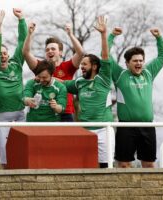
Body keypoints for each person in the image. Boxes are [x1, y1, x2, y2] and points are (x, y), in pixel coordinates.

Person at [108, 27, 163, 168]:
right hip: (126, 126)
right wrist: (111, 36)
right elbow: (106, 57)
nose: (139, 63)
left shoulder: (148, 73)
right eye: (135, 61)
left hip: (147, 125)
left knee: (149, 163)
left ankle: (151, 190)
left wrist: (159, 38)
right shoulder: (120, 75)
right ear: (127, 63)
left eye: (141, 60)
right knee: (123, 164)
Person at [64, 16, 114, 168]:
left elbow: (105, 56)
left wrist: (104, 34)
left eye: (85, 64)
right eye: (81, 64)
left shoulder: (104, 79)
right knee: (84, 168)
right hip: (84, 131)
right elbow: (61, 84)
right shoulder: (79, 82)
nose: (81, 67)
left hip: (103, 130)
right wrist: (44, 76)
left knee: (105, 167)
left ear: (94, 66)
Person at [22, 22, 84, 122]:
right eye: (47, 49)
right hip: (45, 114)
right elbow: (25, 53)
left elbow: (81, 53)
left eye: (53, 49)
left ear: (60, 52)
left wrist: (70, 34)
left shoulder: (68, 66)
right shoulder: (40, 66)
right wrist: (29, 34)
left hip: (65, 112)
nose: (49, 51)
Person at [0, 9, 28, 168]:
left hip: (20, 114)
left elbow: (22, 41)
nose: (3, 56)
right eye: (0, 54)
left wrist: (21, 20)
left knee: (22, 147)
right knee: (3, 151)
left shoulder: (16, 63)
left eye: (5, 53)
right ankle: (6, 174)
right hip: (1, 115)